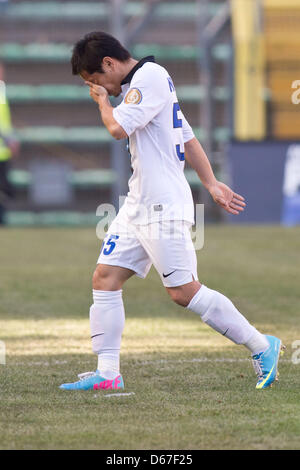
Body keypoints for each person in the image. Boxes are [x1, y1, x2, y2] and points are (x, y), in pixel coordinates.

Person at [60, 32, 284, 391]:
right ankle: (108, 374)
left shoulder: (146, 79)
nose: (98, 87)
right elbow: (188, 137)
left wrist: (103, 102)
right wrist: (211, 183)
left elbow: (117, 128)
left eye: (95, 80)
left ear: (108, 64)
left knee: (183, 292)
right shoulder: (149, 80)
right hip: (139, 203)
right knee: (105, 278)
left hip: (162, 205)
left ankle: (262, 345)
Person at [0, 62, 19, 225]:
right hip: (3, 147)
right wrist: (9, 139)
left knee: (5, 188)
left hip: (3, 152)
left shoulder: (2, 91)